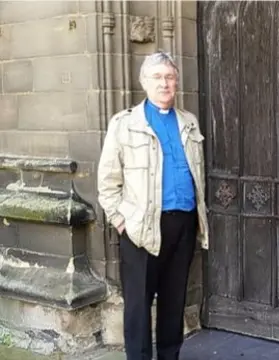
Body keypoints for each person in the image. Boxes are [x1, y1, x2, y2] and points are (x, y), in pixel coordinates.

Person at [97, 51, 209, 360]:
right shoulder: (124, 124)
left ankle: (169, 356)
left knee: (174, 302)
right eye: (157, 77)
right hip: (141, 228)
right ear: (144, 82)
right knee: (138, 306)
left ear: (176, 82)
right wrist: (121, 221)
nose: (165, 83)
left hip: (183, 225)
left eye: (170, 77)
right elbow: (107, 183)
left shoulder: (188, 122)